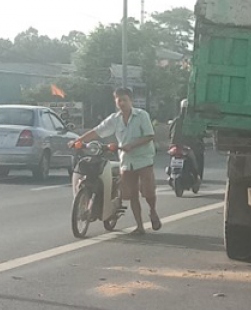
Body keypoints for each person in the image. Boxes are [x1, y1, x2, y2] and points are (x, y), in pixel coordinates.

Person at [75, 87, 161, 235]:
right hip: (126, 161)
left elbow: (149, 136)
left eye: (124, 100)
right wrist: (79, 140)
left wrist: (132, 145)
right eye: (118, 100)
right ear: (115, 101)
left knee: (148, 192)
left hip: (143, 159)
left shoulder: (142, 115)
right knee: (131, 194)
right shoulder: (114, 119)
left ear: (130, 100)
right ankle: (139, 226)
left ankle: (153, 212)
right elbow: (97, 131)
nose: (121, 103)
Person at [169, 98, 205, 181]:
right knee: (199, 156)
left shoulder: (177, 120)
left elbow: (170, 132)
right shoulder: (194, 121)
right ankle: (198, 176)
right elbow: (200, 132)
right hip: (188, 146)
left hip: (176, 145)